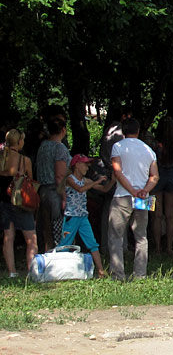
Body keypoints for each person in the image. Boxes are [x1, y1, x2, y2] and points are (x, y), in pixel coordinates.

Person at [107, 117, 159, 281]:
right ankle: (140, 274)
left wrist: (132, 190)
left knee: (116, 236)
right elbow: (155, 176)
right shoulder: (149, 150)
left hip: (122, 195)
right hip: (144, 197)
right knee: (141, 236)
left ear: (123, 131)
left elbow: (117, 172)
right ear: (138, 131)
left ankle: (118, 274)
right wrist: (144, 190)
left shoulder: (118, 147)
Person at [59, 154, 111, 277]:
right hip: (71, 217)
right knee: (65, 244)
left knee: (92, 243)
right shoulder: (69, 179)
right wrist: (96, 181)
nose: (87, 167)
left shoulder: (86, 181)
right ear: (76, 165)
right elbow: (80, 189)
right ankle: (59, 270)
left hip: (82, 217)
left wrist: (113, 180)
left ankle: (100, 270)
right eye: (85, 164)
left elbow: (104, 190)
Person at [1, 129, 36, 277]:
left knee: (8, 237)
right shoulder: (24, 160)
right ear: (20, 141)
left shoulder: (1, 157)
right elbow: (31, 180)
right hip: (20, 201)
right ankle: (31, 272)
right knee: (31, 238)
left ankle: (12, 272)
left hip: (3, 201)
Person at [35, 117, 71, 251]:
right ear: (63, 130)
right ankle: (59, 256)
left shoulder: (43, 146)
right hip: (55, 191)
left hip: (42, 190)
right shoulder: (59, 148)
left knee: (46, 230)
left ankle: (47, 256)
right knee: (58, 228)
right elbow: (60, 175)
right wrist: (64, 197)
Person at [151, 117, 173, 256]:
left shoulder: (156, 145)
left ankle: (157, 247)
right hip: (172, 177)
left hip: (157, 177)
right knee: (170, 215)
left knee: (157, 215)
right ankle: (169, 247)